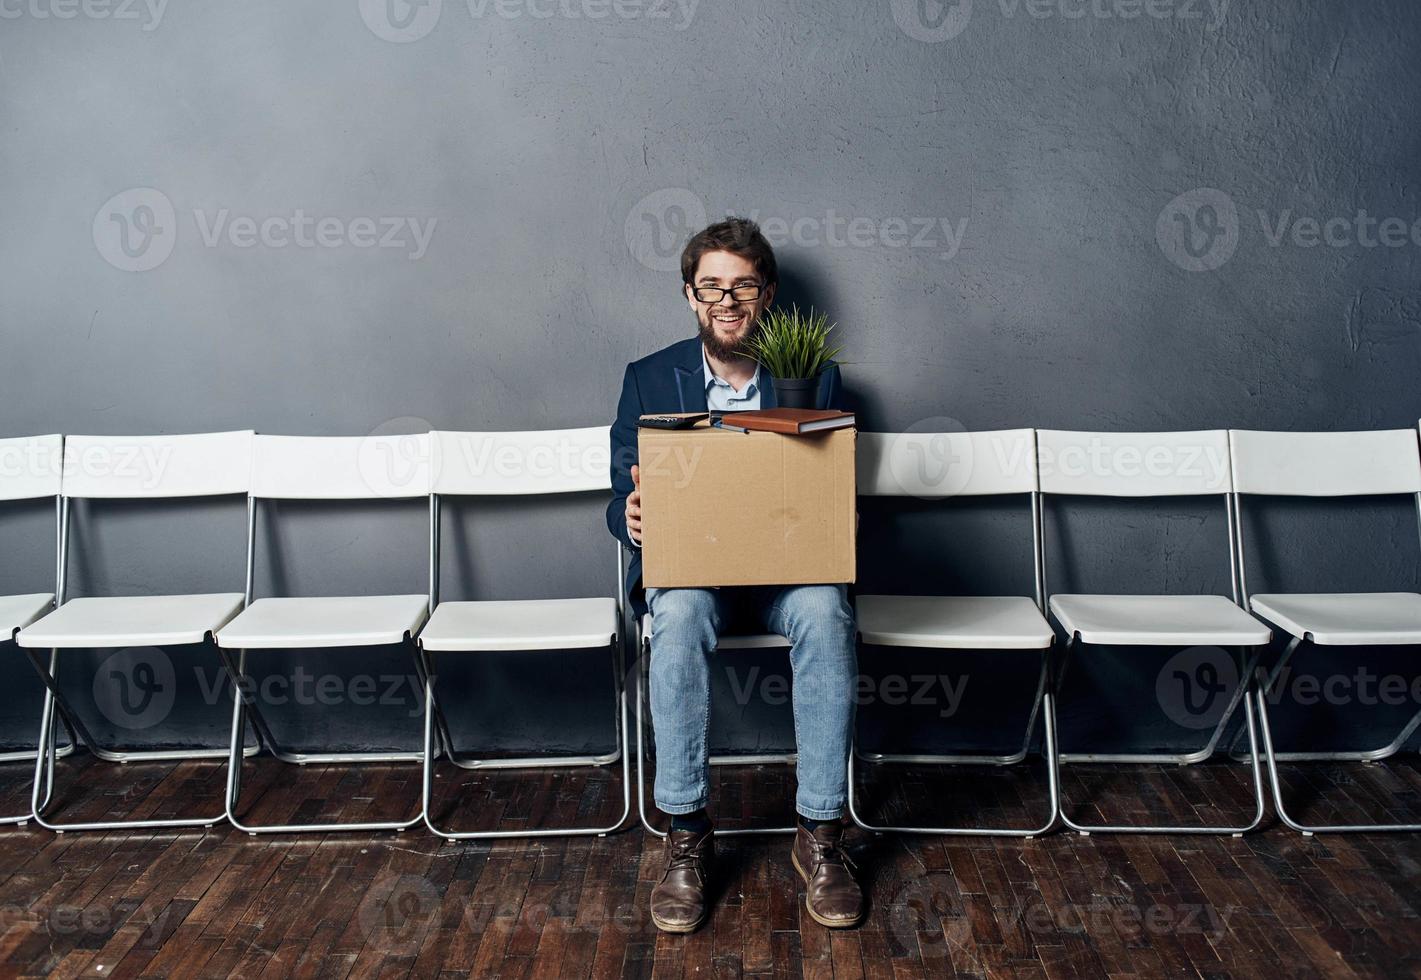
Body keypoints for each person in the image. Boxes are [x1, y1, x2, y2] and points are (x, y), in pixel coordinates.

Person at [606, 217, 863, 933]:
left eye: (742, 285)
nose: (726, 300)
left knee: (826, 613)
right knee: (678, 615)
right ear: (690, 296)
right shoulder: (649, 377)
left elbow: (830, 483)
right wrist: (624, 516)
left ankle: (819, 837)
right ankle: (686, 834)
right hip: (695, 571)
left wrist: (832, 513)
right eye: (710, 286)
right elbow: (615, 492)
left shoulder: (814, 375)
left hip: (787, 574)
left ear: (766, 294)